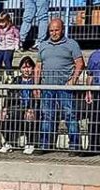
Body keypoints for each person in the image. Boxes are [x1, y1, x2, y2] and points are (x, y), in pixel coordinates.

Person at [36, 18, 83, 156]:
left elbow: (79, 63)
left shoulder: (71, 44)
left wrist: (73, 80)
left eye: (56, 30)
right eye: (51, 30)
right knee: (47, 116)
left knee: (70, 116)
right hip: (47, 87)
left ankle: (75, 146)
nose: (54, 33)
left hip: (65, 87)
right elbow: (38, 66)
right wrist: (36, 85)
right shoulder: (43, 45)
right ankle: (45, 144)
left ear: (62, 29)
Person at [0, 56, 39, 155]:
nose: (26, 70)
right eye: (24, 67)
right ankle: (8, 142)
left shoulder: (36, 80)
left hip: (32, 108)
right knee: (4, 117)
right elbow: (9, 96)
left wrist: (31, 108)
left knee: (30, 116)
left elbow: (37, 98)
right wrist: (5, 108)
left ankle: (31, 143)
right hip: (18, 107)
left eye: (29, 67)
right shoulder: (16, 80)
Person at [86, 48, 100, 155]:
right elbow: (90, 75)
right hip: (97, 91)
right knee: (95, 120)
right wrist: (88, 91)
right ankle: (93, 146)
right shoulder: (95, 55)